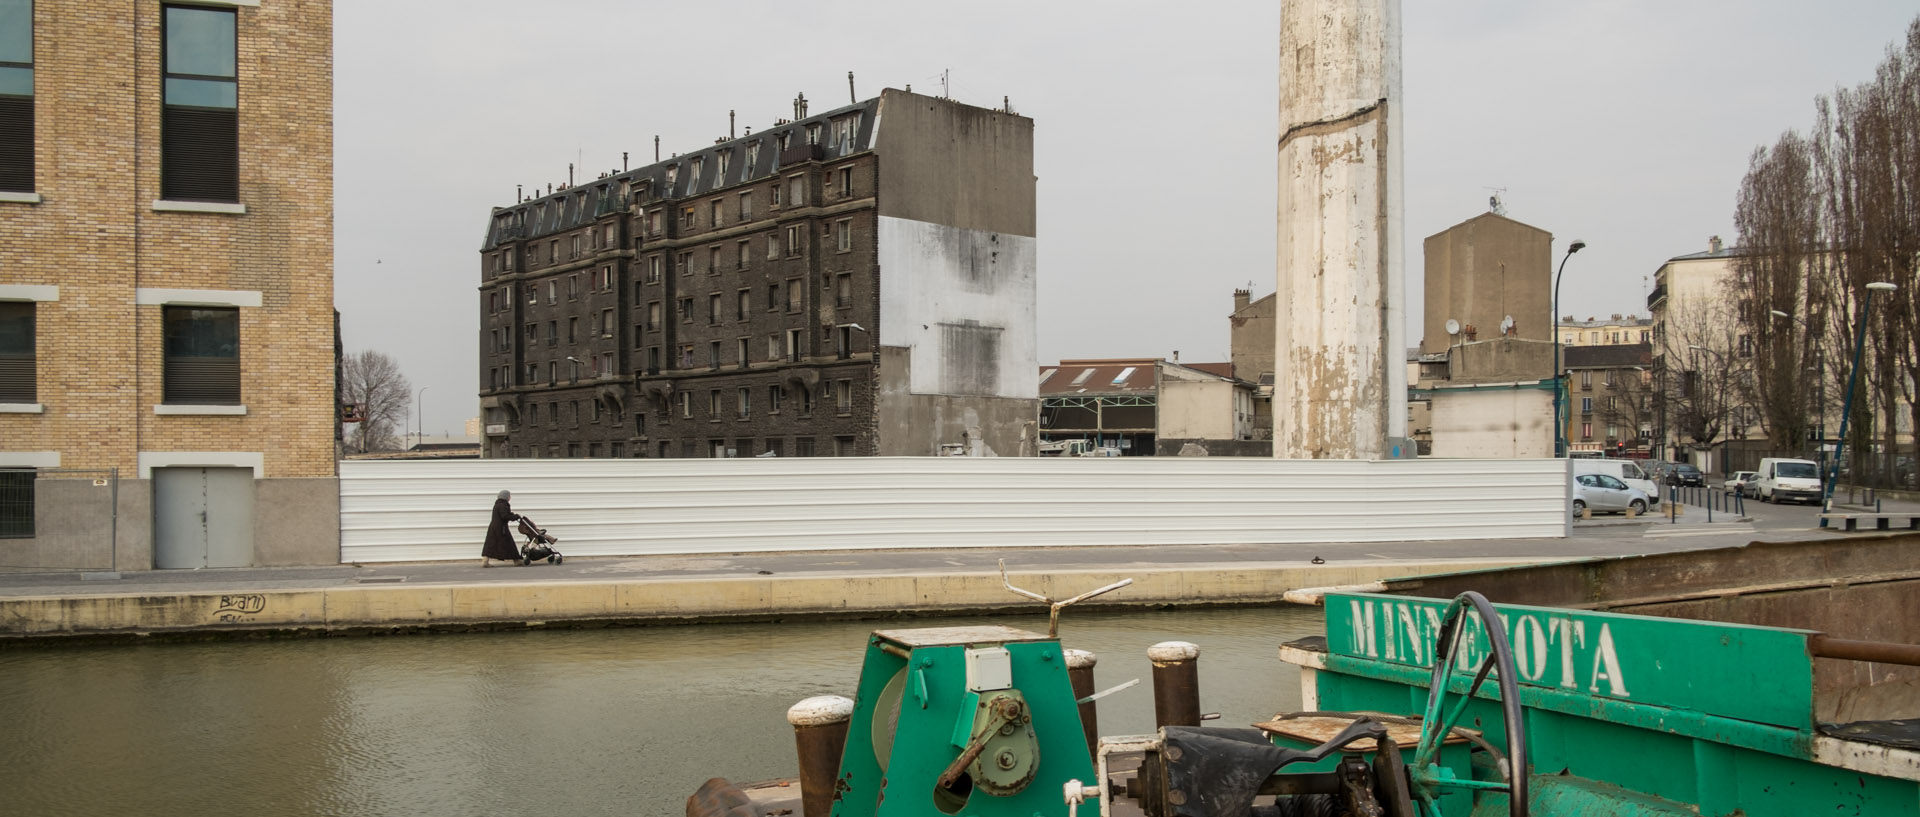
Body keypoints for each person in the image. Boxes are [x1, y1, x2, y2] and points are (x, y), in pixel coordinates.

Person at [481, 489, 522, 567]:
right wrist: (515, 517)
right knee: (510, 544)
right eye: (509, 496)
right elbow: (505, 516)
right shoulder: (503, 504)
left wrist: (511, 514)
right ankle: (517, 561)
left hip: (493, 527)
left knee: (490, 544)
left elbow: (504, 514)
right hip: (501, 529)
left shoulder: (497, 504)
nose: (510, 497)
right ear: (506, 497)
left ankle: (485, 561)